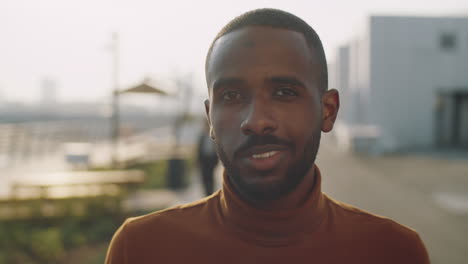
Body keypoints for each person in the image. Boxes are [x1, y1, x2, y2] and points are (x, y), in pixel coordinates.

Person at [105, 8, 430, 264]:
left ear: (327, 110)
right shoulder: (141, 249)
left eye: (285, 92)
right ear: (210, 119)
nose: (256, 121)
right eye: (231, 96)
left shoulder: (393, 252)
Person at [197, 121, 219, 195]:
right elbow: (199, 150)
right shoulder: (202, 136)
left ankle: (211, 192)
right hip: (204, 160)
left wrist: (216, 161)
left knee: (211, 177)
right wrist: (198, 161)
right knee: (205, 177)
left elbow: (217, 149)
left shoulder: (213, 137)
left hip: (211, 160)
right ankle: (207, 193)